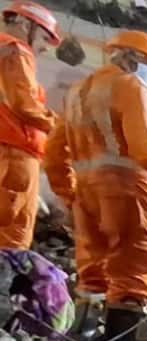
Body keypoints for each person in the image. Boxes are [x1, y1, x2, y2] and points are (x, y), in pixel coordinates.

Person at [44, 30, 147, 341]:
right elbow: (146, 150)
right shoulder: (130, 87)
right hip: (127, 190)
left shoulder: (77, 92)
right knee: (132, 273)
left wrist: (67, 196)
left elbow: (53, 153)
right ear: (131, 58)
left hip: (86, 194)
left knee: (92, 273)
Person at [0, 1, 59, 250]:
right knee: (11, 243)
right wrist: (59, 127)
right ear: (25, 25)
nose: (45, 47)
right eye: (45, 38)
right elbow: (25, 104)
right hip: (14, 155)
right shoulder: (16, 50)